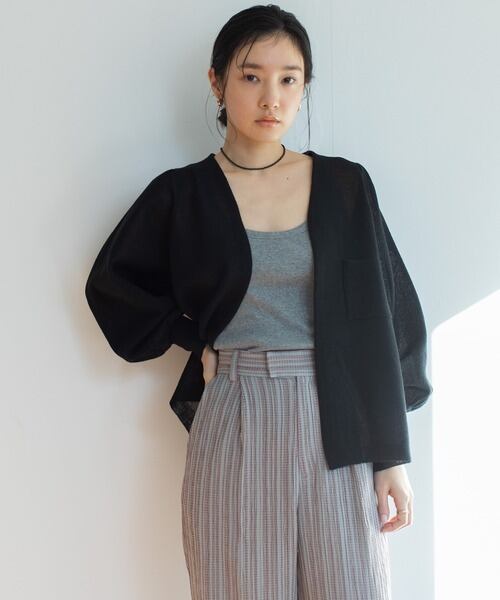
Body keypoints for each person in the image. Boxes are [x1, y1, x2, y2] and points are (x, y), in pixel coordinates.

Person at [85, 5, 433, 599]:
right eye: (251, 76)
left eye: (289, 79)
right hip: (236, 409)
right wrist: (192, 340)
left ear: (304, 87)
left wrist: (390, 455)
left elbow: (384, 319)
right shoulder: (182, 195)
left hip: (340, 417)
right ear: (217, 82)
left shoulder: (344, 186)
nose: (271, 97)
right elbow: (111, 285)